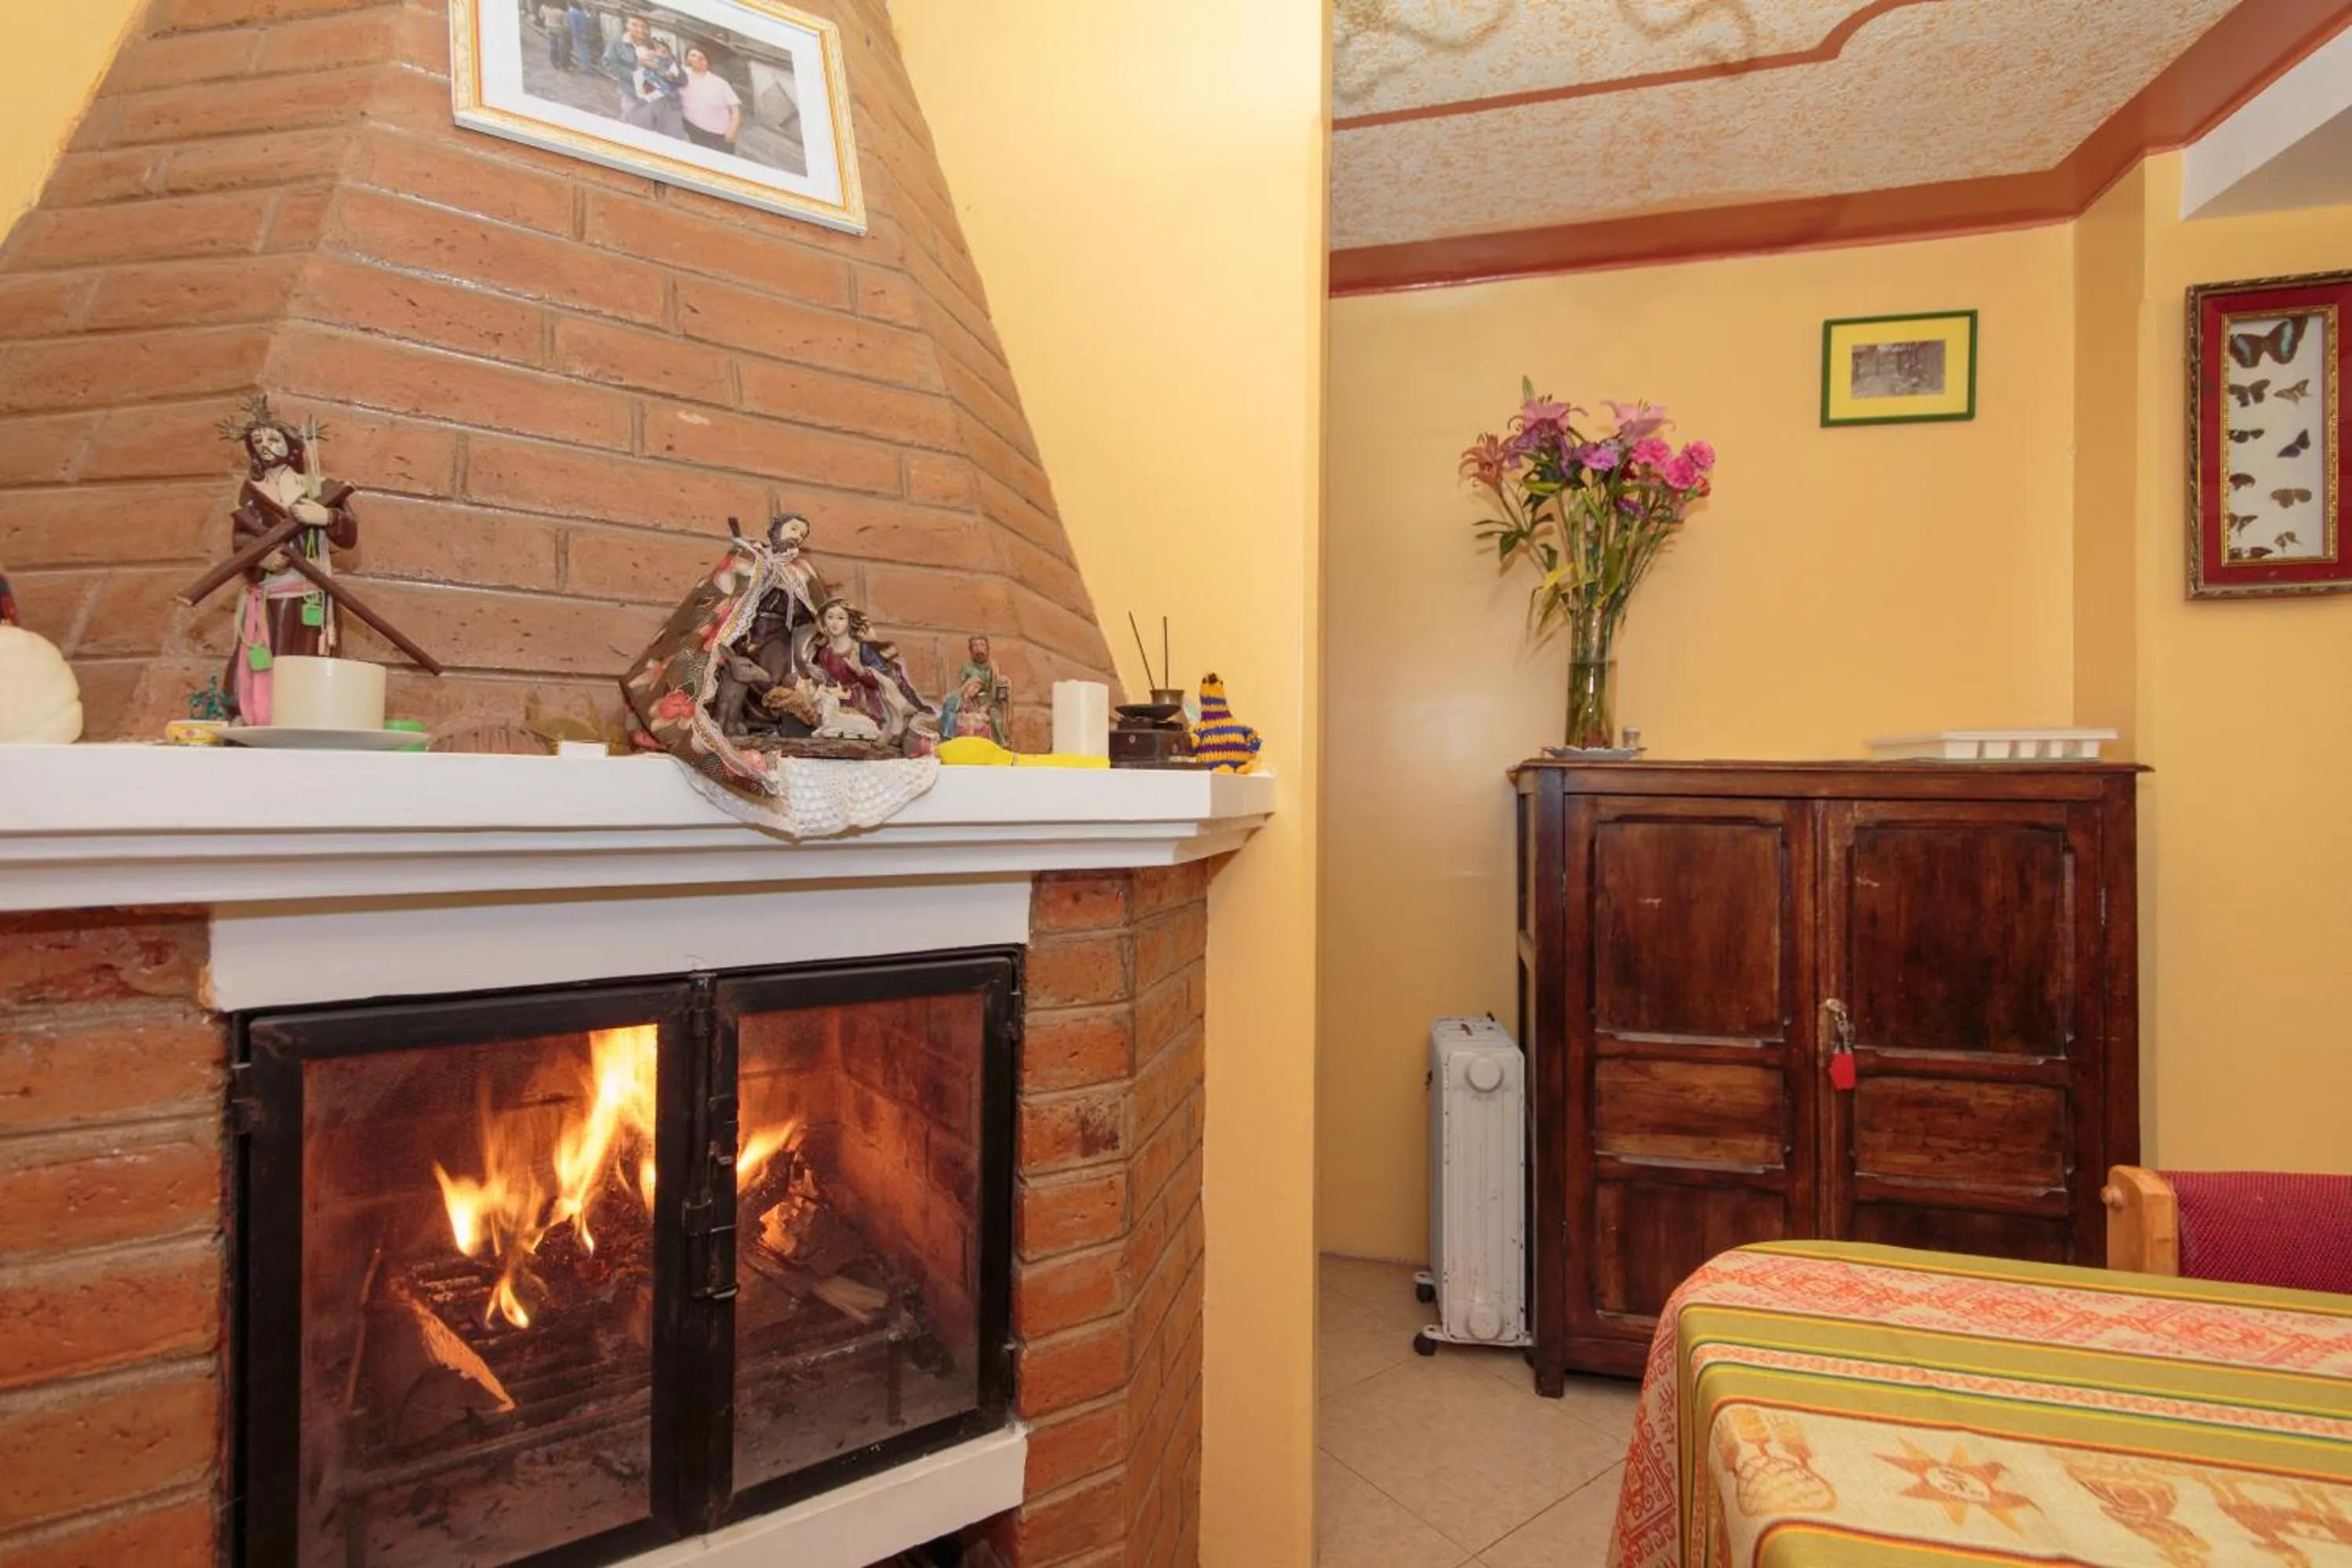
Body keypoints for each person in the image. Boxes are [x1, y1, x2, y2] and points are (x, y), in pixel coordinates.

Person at [219, 405, 358, 724]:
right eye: (258, 440)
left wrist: (327, 516)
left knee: (309, 651)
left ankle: (307, 714)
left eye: (273, 438)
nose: (266, 446)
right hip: (272, 590)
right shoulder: (253, 491)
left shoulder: (320, 486)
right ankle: (259, 712)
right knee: (269, 650)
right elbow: (241, 540)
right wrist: (262, 557)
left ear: (292, 445)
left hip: (312, 589)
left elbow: (349, 533)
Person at [938, 633, 1008, 744]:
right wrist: (968, 688)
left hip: (988, 700)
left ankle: (1002, 745)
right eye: (975, 646)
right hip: (969, 699)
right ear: (971, 650)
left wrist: (986, 706)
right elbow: (961, 689)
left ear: (987, 649)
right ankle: (949, 738)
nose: (979, 649)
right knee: (954, 709)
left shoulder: (993, 666)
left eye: (982, 645)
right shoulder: (967, 667)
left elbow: (995, 689)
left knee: (996, 718)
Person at [678, 45, 743, 154]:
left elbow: (735, 109)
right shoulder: (681, 75)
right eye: (693, 55)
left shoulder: (720, 83)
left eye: (701, 57)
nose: (696, 59)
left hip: (718, 134)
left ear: (707, 63)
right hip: (693, 128)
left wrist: (732, 130)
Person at [627, 37, 688, 139]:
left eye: (665, 50)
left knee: (673, 137)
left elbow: (683, 81)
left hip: (670, 105)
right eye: (657, 48)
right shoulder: (642, 61)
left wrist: (671, 75)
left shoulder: (673, 64)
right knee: (640, 135)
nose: (660, 52)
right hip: (647, 103)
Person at [539, 2, 574, 71]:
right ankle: (563, 63)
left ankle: (553, 60)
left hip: (550, 30)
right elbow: (566, 25)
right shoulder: (562, 13)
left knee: (553, 46)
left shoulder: (548, 11)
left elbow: (543, 18)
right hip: (560, 32)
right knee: (562, 48)